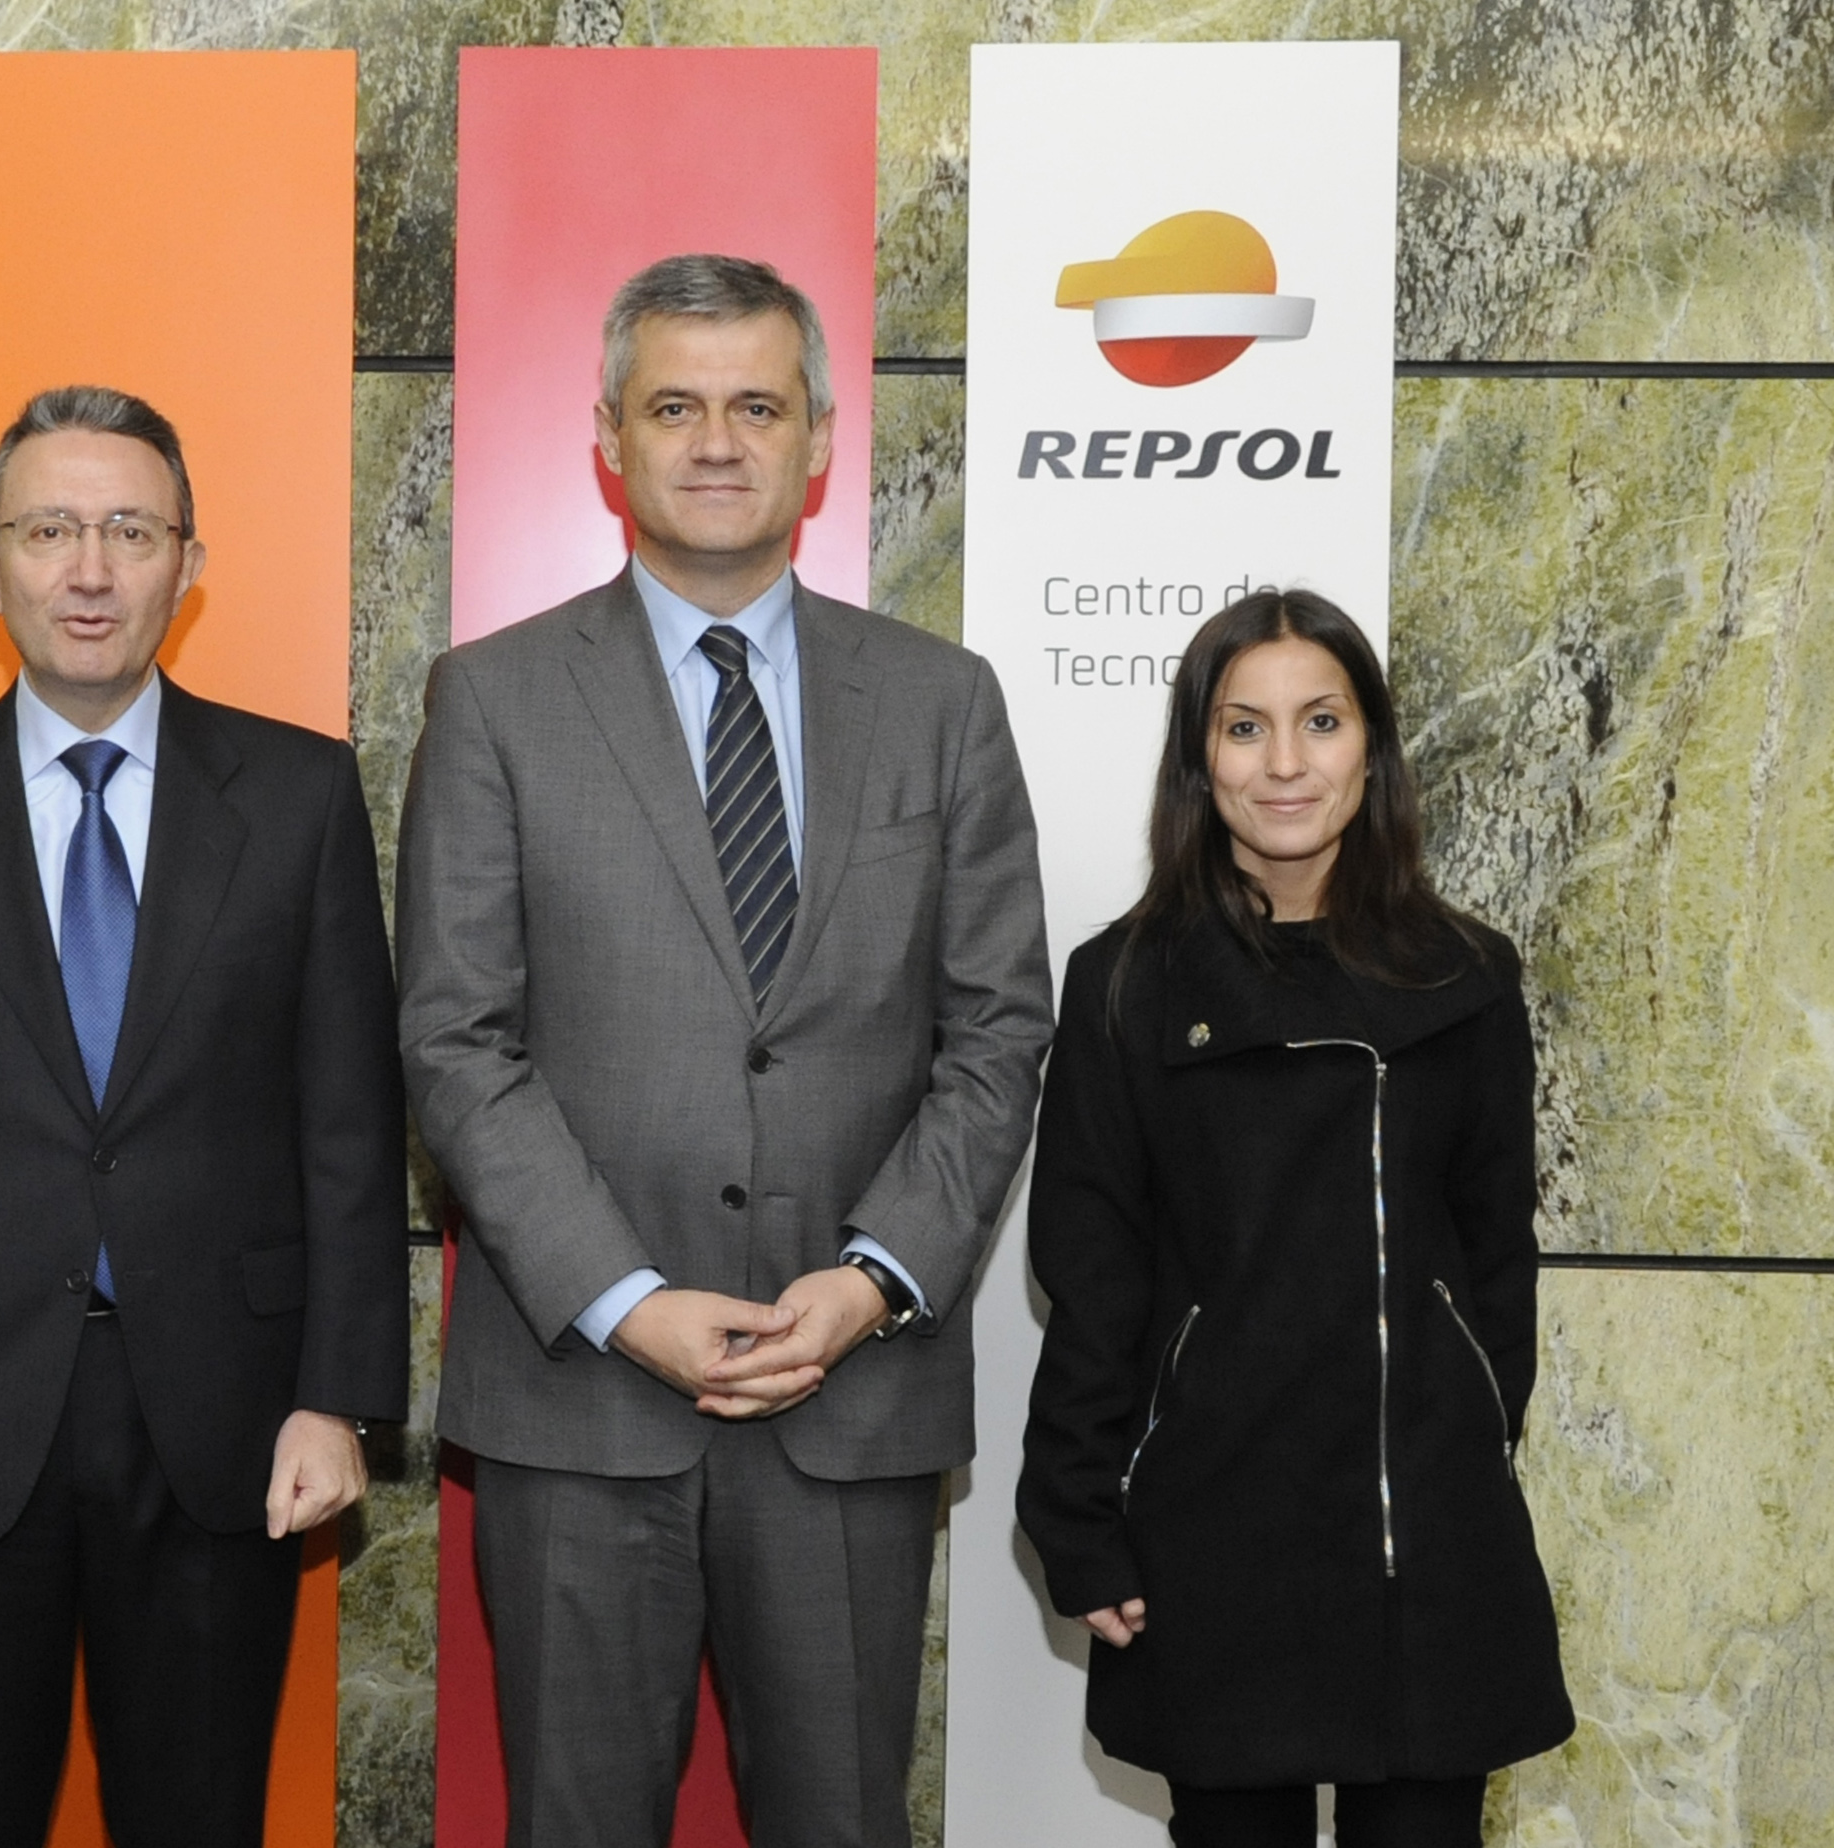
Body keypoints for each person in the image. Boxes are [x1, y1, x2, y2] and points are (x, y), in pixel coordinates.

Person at [397, 253, 1052, 1847]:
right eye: (673, 406)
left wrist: (874, 1280)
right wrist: (628, 1304)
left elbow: (998, 1027)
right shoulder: (492, 701)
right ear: (608, 439)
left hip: (852, 1392)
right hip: (579, 1405)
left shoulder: (943, 704)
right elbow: (457, 1039)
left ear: (820, 440)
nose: (714, 441)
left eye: (756, 406)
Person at [0, 384, 408, 1848]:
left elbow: (352, 1132)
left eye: (131, 530)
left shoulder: (299, 797)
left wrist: (338, 1395)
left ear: (190, 563)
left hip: (226, 1423)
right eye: (50, 530)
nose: (91, 569)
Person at [1018, 589, 1575, 1846]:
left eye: (1320, 721)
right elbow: (1091, 1276)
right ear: (1198, 759)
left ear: (1371, 747)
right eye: (1244, 727)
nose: (1284, 764)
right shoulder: (1122, 984)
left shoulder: (1469, 975)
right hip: (1212, 1536)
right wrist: (1078, 1516)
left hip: (1423, 1538)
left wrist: (1473, 1423)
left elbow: (1498, 1254)